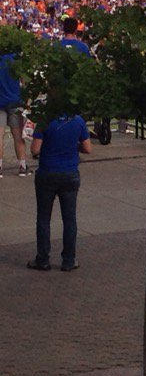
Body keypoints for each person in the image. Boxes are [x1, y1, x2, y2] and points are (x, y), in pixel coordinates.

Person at [27, 111, 92, 271]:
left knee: (43, 218)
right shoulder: (78, 121)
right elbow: (88, 148)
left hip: (47, 172)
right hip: (70, 174)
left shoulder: (45, 121)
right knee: (69, 219)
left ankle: (42, 258)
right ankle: (68, 260)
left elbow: (35, 149)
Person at [0, 51, 28, 178]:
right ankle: (22, 166)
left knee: (0, 136)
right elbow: (25, 81)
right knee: (18, 135)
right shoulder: (16, 60)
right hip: (15, 101)